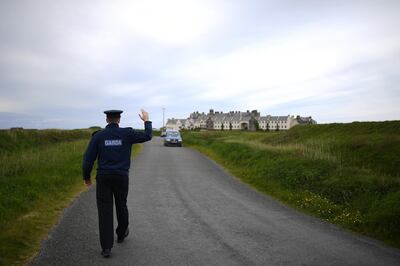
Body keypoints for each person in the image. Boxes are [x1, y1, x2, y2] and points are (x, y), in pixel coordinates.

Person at [82, 109, 152, 258]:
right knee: (121, 204)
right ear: (119, 120)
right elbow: (147, 135)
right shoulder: (127, 134)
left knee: (105, 211)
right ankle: (121, 233)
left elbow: (88, 159)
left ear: (107, 120)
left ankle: (106, 248)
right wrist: (146, 120)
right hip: (121, 176)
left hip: (104, 178)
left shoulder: (98, 136)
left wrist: (86, 176)